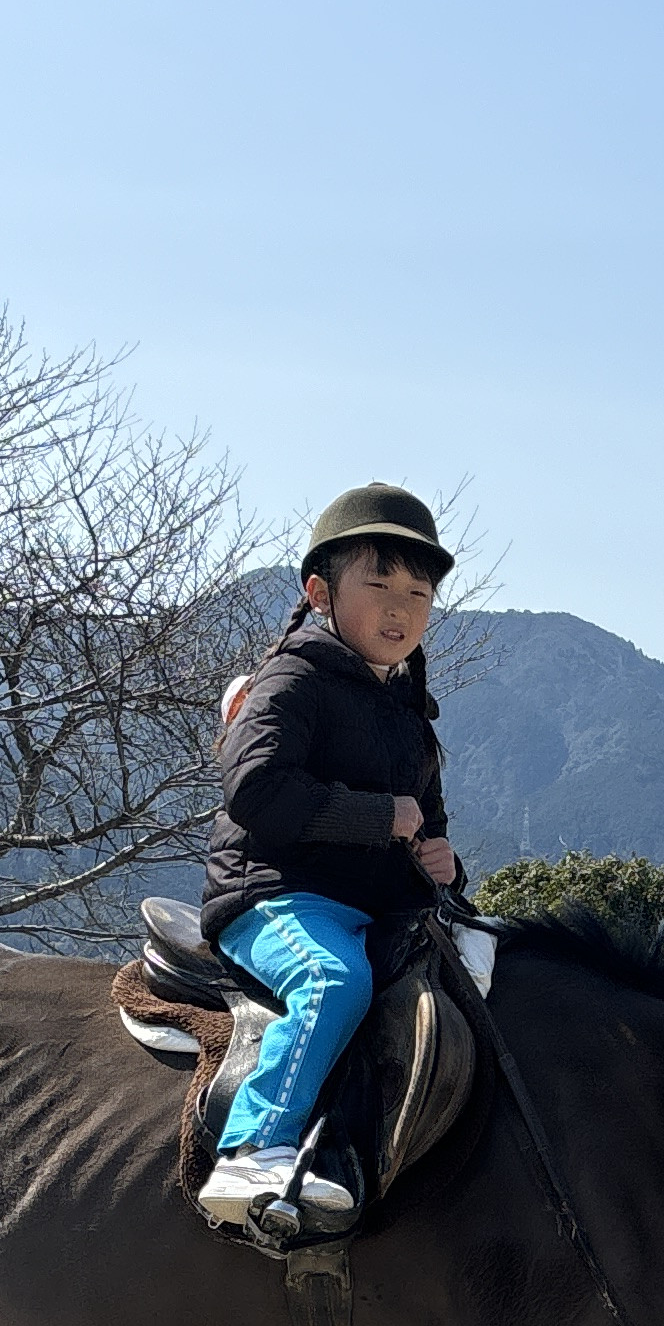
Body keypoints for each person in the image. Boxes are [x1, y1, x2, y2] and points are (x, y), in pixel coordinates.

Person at [195, 482, 464, 1227]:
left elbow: (426, 827)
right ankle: (253, 1149)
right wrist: (379, 817)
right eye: (378, 585)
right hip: (276, 895)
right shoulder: (292, 678)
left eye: (418, 593)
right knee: (332, 981)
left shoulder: (410, 714)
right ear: (320, 593)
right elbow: (255, 790)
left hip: (377, 910)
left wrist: (443, 865)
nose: (400, 608)